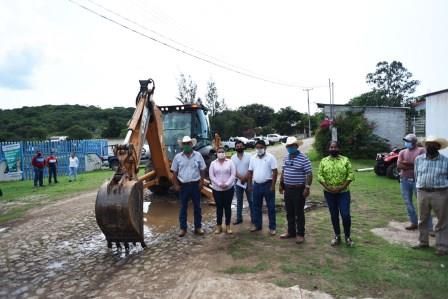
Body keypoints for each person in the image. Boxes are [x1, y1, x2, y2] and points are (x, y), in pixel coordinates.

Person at [413, 136, 448, 256]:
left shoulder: (445, 161)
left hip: (440, 193)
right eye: (428, 144)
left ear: (438, 147)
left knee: (442, 221)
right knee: (422, 219)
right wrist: (419, 187)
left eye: (433, 145)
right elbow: (417, 175)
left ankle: (442, 247)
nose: (430, 147)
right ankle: (423, 242)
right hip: (422, 192)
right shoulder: (418, 159)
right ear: (425, 146)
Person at [317, 141, 355, 246]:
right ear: (328, 149)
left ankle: (348, 237)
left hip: (343, 193)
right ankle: (337, 236)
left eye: (335, 147)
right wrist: (328, 187)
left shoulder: (345, 160)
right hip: (329, 193)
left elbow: (350, 175)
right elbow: (320, 176)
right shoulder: (323, 161)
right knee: (334, 215)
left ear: (339, 148)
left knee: (345, 215)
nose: (333, 149)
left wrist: (341, 187)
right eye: (331, 147)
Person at [279, 137, 312, 244]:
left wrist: (307, 187)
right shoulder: (286, 158)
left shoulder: (303, 158)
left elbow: (309, 173)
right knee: (289, 211)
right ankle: (291, 231)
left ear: (296, 146)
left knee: (299, 212)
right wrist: (281, 184)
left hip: (299, 189)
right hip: (288, 189)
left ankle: (300, 234)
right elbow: (283, 171)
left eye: (292, 146)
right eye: (288, 146)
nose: (289, 148)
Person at [171, 136, 207, 237]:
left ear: (191, 144)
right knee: (183, 208)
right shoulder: (178, 157)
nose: (187, 145)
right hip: (184, 186)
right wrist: (176, 185)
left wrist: (202, 181)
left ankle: (198, 227)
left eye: (188, 143)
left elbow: (202, 169)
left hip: (195, 185)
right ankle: (183, 228)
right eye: (185, 144)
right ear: (182, 145)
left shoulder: (198, 155)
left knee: (197, 207)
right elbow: (174, 172)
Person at [397, 134, 433, 231]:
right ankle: (413, 222)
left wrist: (407, 164)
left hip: (418, 181)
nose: (406, 143)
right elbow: (399, 165)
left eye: (408, 141)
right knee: (408, 202)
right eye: (405, 141)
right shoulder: (402, 152)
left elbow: (422, 165)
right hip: (404, 180)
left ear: (413, 142)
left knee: (423, 204)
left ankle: (430, 228)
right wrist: (413, 165)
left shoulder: (421, 150)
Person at [247, 139, 278, 235]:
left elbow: (275, 172)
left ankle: (272, 227)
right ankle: (257, 225)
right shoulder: (253, 158)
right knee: (256, 206)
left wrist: (273, 186)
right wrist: (249, 185)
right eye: (257, 147)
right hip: (256, 185)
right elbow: (250, 172)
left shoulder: (271, 157)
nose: (259, 149)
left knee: (271, 207)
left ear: (265, 148)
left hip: (268, 185)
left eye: (261, 147)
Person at [209, 146, 236, 234]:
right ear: (216, 154)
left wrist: (227, 184)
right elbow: (211, 176)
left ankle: (228, 226)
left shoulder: (230, 162)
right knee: (219, 208)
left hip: (229, 189)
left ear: (225, 153)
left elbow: (233, 174)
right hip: (217, 189)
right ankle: (219, 226)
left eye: (222, 151)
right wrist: (220, 184)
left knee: (228, 207)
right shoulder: (213, 163)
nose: (221, 153)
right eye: (219, 152)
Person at [231, 140, 253, 226]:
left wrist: (245, 178)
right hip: (238, 182)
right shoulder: (233, 157)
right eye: (238, 146)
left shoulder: (249, 156)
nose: (239, 148)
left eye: (241, 146)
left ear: (243, 147)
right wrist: (241, 178)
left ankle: (254, 218)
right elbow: (233, 170)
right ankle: (239, 218)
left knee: (251, 200)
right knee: (239, 201)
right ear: (235, 147)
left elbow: (251, 168)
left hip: (249, 181)